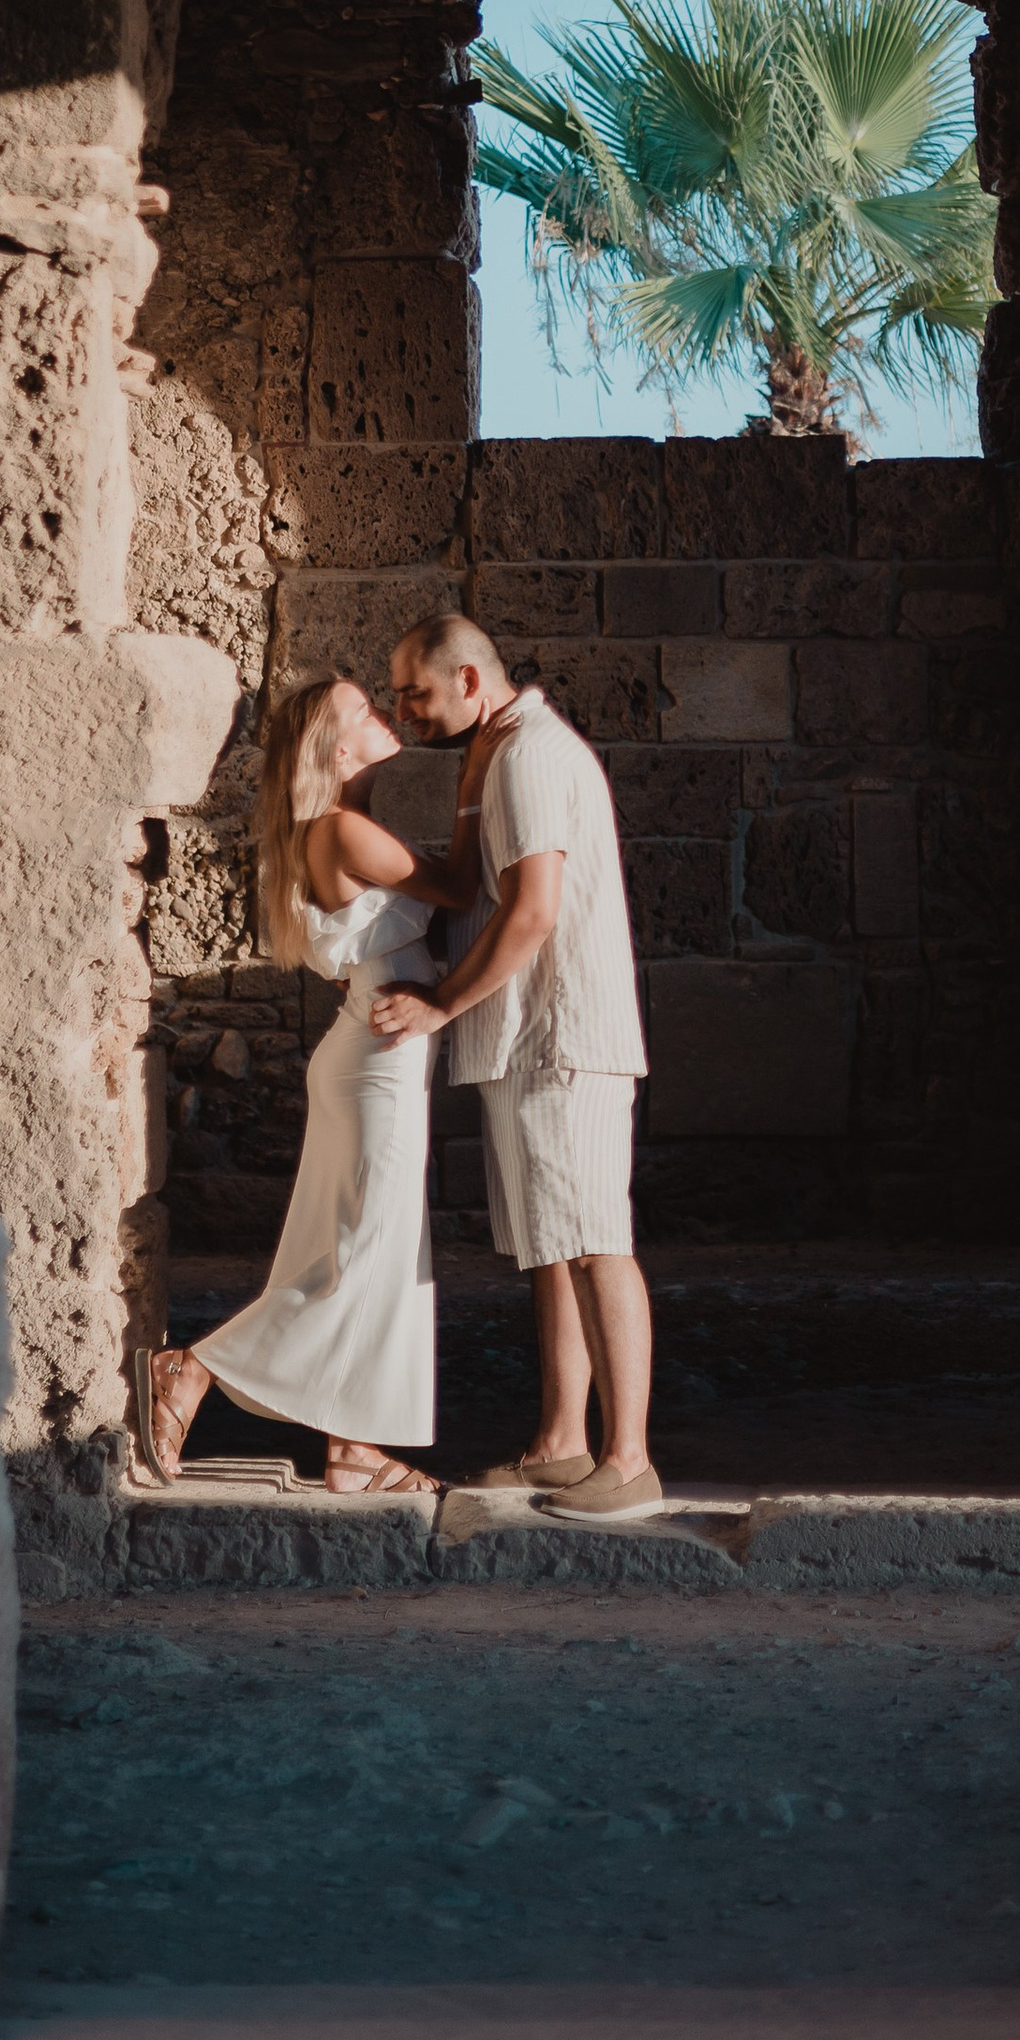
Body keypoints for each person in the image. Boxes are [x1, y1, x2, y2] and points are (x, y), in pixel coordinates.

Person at [130, 672, 487, 1497]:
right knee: (365, 1256)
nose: (385, 714)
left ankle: (354, 1447)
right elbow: (464, 888)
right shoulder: (344, 831)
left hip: (370, 1052)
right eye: (364, 711)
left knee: (369, 1251)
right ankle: (195, 1368)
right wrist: (477, 777)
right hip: (376, 1062)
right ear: (335, 747)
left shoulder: (335, 830)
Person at [375, 613, 662, 1518]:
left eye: (415, 692)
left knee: (593, 1243)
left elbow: (532, 911)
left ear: (469, 680)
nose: (403, 710)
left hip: (560, 1037)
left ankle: (630, 1460)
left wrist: (441, 1002)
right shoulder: (498, 753)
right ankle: (561, 1444)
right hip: (528, 1041)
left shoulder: (532, 755)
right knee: (549, 1249)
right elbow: (472, 882)